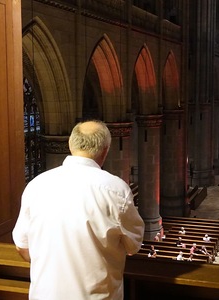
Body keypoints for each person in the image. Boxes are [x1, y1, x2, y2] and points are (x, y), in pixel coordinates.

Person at [12, 120, 145, 300]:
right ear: (105, 150)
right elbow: (134, 244)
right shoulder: (116, 189)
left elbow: (22, 245)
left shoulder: (36, 185)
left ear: (70, 145)